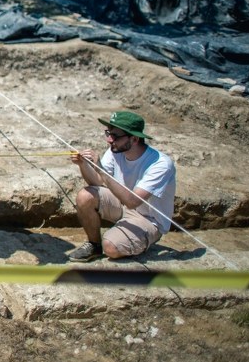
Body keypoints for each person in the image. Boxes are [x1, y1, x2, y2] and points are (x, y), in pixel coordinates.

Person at [67, 111, 177, 262]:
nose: (109, 140)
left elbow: (133, 202)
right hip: (122, 204)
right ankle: (94, 245)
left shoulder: (160, 165)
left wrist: (100, 168)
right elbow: (97, 182)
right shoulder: (117, 150)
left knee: (111, 247)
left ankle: (140, 238)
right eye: (108, 133)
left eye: (115, 136)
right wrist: (83, 165)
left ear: (135, 138)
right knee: (85, 196)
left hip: (148, 219)